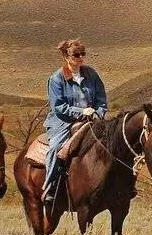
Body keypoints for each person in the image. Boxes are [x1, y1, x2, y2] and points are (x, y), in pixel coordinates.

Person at [42, 39, 108, 203]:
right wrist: (81, 112)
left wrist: (98, 113)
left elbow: (101, 100)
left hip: (92, 119)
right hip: (63, 122)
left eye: (83, 54)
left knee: (114, 142)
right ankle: (50, 186)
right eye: (76, 54)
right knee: (57, 148)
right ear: (66, 56)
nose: (80, 57)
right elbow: (59, 107)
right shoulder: (57, 79)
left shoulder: (91, 74)